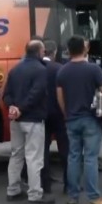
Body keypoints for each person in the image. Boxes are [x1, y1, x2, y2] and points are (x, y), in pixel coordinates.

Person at [57, 35, 102, 204]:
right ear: (84, 49)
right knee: (90, 158)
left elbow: (60, 97)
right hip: (90, 118)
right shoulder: (93, 69)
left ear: (68, 50)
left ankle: (73, 195)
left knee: (73, 157)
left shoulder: (62, 71)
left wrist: (67, 112)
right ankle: (94, 197)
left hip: (71, 119)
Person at [4, 40, 55, 204]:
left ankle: (13, 189)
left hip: (16, 119)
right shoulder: (41, 70)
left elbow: (6, 94)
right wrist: (22, 108)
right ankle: (35, 193)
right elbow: (37, 93)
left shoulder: (15, 69)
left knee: (16, 154)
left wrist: (13, 107)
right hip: (33, 118)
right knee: (34, 157)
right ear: (40, 52)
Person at [41, 40, 69, 195]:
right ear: (55, 51)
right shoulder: (60, 68)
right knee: (65, 149)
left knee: (42, 151)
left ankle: (45, 186)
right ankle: (69, 184)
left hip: (41, 115)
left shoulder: (36, 68)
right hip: (59, 114)